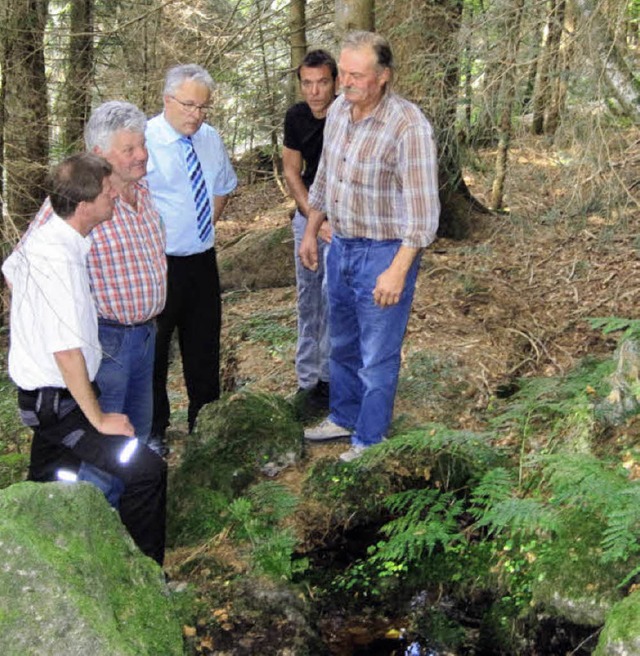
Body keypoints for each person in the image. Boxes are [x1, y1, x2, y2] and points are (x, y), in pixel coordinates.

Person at [3, 154, 167, 565]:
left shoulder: (57, 241)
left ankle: (36, 564)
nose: (115, 196)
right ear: (83, 206)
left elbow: (10, 268)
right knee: (145, 470)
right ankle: (146, 576)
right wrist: (99, 418)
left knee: (50, 487)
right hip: (56, 404)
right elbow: (65, 349)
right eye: (107, 192)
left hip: (53, 399)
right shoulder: (55, 259)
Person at [300, 31, 440, 462]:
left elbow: (423, 213)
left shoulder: (408, 126)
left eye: (356, 75)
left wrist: (397, 269)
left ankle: (370, 439)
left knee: (376, 355)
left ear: (383, 77)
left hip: (383, 253)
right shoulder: (341, 110)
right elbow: (325, 179)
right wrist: (311, 230)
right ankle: (343, 416)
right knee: (341, 343)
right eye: (343, 72)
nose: (345, 82)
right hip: (339, 244)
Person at [23, 101, 167, 496]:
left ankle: (123, 528)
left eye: (142, 145)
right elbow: (22, 269)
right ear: (99, 155)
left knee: (131, 441)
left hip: (145, 337)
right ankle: (93, 531)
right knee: (99, 452)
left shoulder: (142, 189)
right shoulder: (74, 208)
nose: (141, 156)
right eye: (129, 149)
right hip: (106, 343)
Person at [145, 64, 238, 445]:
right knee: (154, 350)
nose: (196, 115)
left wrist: (202, 225)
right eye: (189, 105)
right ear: (168, 100)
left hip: (201, 259)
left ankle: (206, 423)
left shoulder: (210, 139)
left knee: (204, 345)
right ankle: (154, 429)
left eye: (203, 108)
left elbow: (222, 186)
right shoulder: (145, 140)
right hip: (158, 262)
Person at [283, 49, 337, 417]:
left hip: (345, 219)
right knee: (309, 298)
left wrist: (331, 222)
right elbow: (292, 172)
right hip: (309, 217)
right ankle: (307, 381)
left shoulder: (347, 114)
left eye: (322, 83)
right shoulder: (296, 117)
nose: (315, 92)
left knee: (335, 299)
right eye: (308, 83)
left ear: (334, 83)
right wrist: (313, 220)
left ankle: (332, 380)